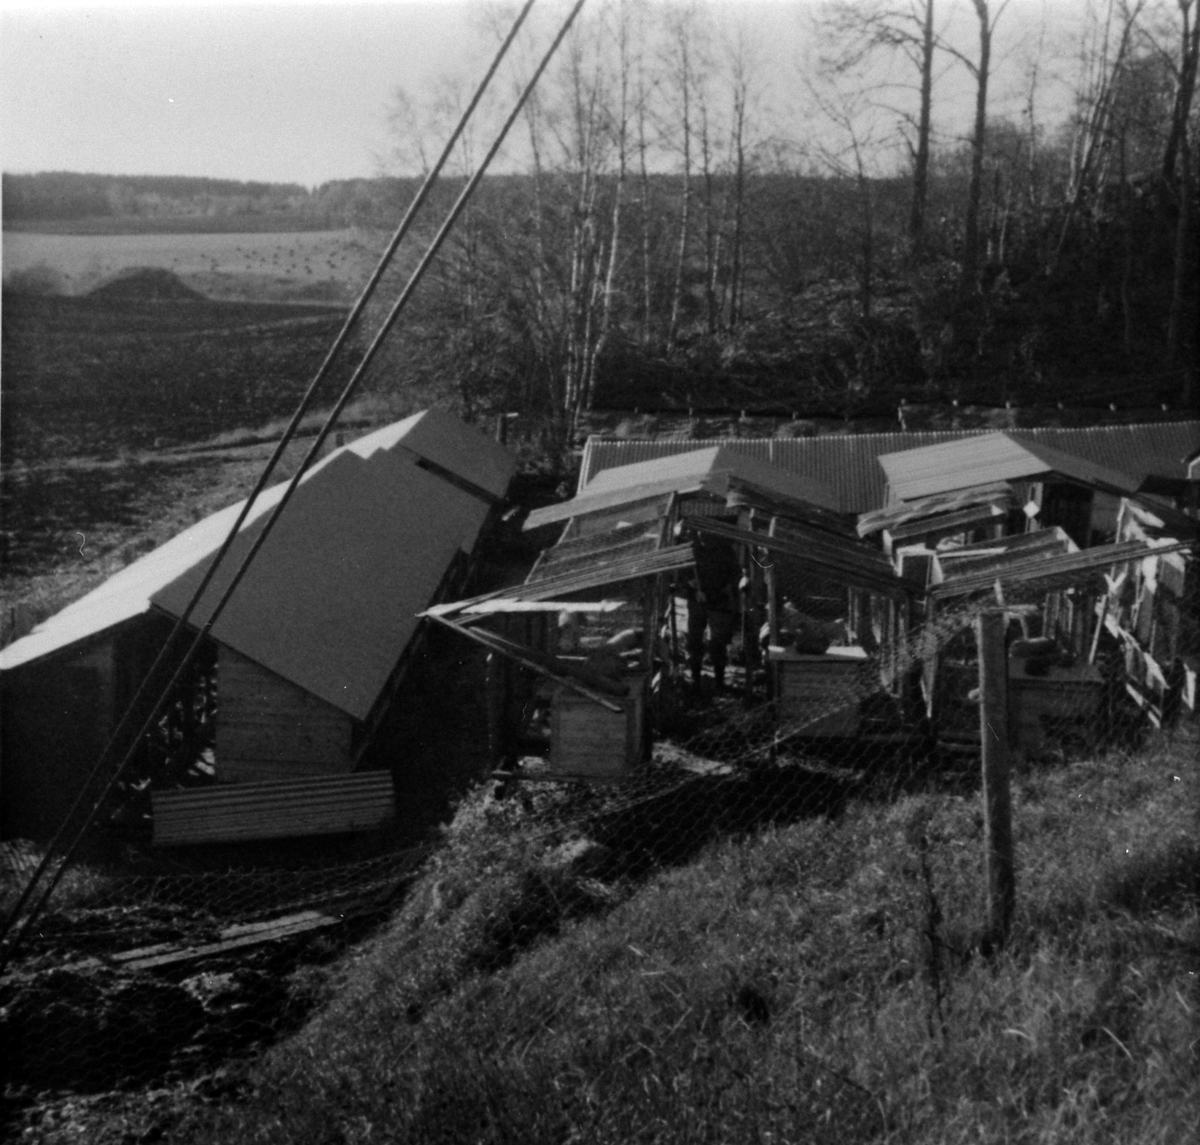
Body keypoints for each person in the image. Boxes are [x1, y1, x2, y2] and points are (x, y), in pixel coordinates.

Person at [684, 534, 740, 692]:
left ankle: (720, 682)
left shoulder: (725, 549)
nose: (704, 539)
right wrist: (690, 584)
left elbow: (735, 574)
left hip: (718, 600)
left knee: (718, 642)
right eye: (701, 536)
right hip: (696, 600)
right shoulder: (691, 548)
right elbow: (682, 572)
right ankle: (695, 680)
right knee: (695, 639)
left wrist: (717, 591)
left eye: (707, 536)